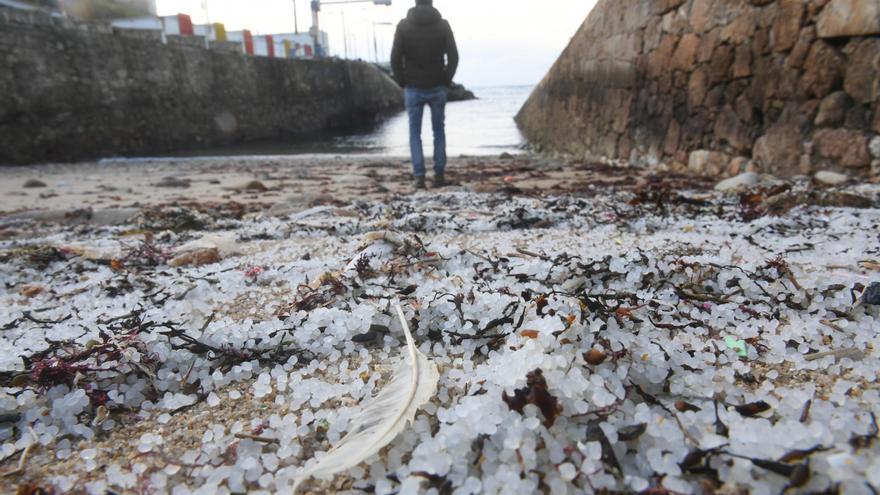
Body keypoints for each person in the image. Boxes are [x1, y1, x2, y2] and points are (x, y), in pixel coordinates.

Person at [390, 0, 459, 190]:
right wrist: (446, 79)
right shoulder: (443, 25)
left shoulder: (403, 26)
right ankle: (439, 176)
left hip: (413, 87)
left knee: (415, 133)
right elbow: (454, 56)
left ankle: (419, 177)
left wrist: (402, 81)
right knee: (439, 132)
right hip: (437, 86)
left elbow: (395, 58)